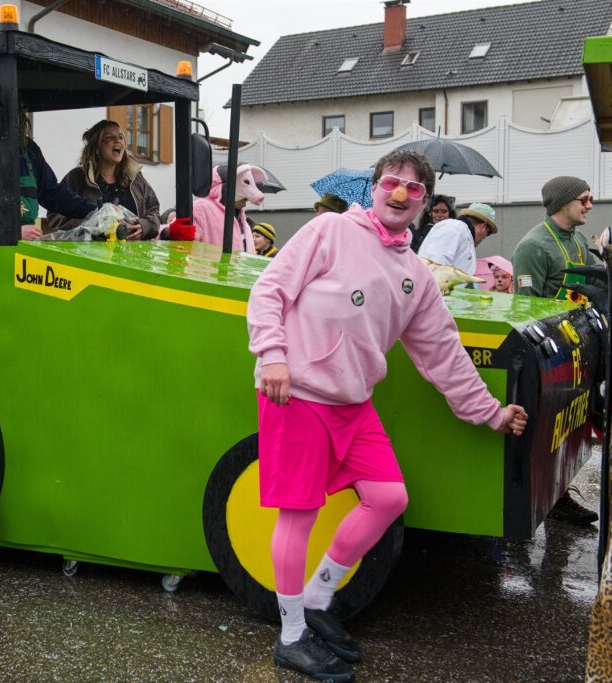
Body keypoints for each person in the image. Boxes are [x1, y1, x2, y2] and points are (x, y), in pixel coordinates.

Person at [247, 149, 527, 682]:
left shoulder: (415, 273)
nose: (401, 193)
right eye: (392, 182)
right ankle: (291, 637)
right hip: (298, 393)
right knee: (299, 516)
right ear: (374, 188)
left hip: (354, 404)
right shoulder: (330, 230)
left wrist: (491, 413)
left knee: (388, 497)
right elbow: (269, 290)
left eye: (414, 188)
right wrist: (273, 355)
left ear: (424, 203)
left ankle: (318, 598)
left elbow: (442, 353)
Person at [512, 175, 602, 525]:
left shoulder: (578, 240)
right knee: (548, 430)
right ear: (563, 202)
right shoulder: (533, 246)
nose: (590, 205)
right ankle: (548, 498)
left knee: (571, 427)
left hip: (577, 346)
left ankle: (560, 490)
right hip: (550, 355)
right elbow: (525, 308)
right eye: (584, 198)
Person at [0, 95, 97, 239]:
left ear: (18, 118)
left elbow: (52, 193)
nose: (2, 127)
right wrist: (10, 233)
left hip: (25, 242)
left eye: (9, 119)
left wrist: (95, 211)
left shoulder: (29, 149)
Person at [47, 120, 159, 239]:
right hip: (90, 250)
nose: (118, 141)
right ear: (96, 147)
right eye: (110, 137)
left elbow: (154, 211)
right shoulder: (76, 178)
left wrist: (144, 226)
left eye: (121, 137)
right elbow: (55, 216)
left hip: (132, 250)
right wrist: (93, 226)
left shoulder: (136, 179)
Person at [192, 164, 267, 253]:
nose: (246, 201)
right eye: (244, 198)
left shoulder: (242, 220)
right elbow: (187, 246)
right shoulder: (201, 209)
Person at [418, 202, 499, 278]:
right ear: (483, 227)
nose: (485, 237)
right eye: (488, 233)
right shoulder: (454, 228)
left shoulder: (462, 233)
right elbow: (436, 263)